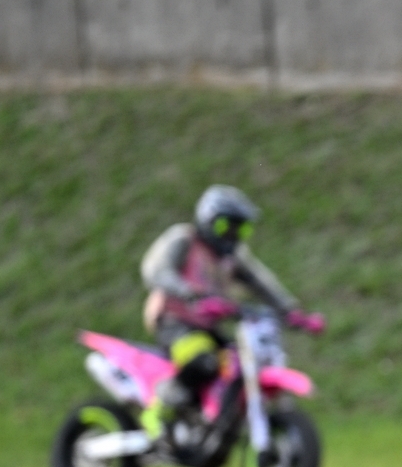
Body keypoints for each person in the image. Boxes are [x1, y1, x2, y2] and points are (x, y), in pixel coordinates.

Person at [138, 185, 323, 439]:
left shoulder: (232, 258)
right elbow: (156, 271)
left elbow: (262, 284)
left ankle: (210, 421)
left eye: (241, 229)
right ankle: (158, 410)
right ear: (208, 220)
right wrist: (191, 293)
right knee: (202, 361)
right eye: (226, 226)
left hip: (207, 327)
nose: (233, 235)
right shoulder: (184, 239)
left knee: (236, 364)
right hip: (174, 321)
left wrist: (292, 312)